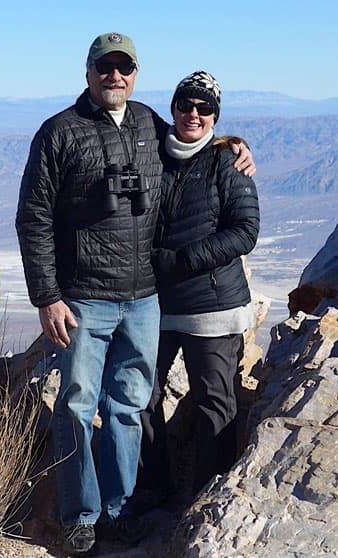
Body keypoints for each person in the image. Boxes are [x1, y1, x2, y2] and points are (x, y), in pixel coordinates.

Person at [15, 34, 254, 555]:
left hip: (145, 300)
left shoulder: (148, 122)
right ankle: (81, 515)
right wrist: (46, 297)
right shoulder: (59, 133)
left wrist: (235, 144)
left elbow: (195, 138)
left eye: (125, 68)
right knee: (77, 406)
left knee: (127, 407)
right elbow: (33, 218)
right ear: (88, 71)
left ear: (136, 75)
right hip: (82, 298)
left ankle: (119, 510)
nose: (115, 76)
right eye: (106, 67)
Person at [138, 71, 260, 506]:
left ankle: (206, 498)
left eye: (204, 107)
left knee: (214, 399)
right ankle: (155, 488)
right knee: (140, 395)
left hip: (212, 304)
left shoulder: (227, 161)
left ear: (215, 116)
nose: (194, 113)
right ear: (173, 108)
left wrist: (183, 260)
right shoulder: (151, 153)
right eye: (186, 104)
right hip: (154, 302)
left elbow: (245, 231)